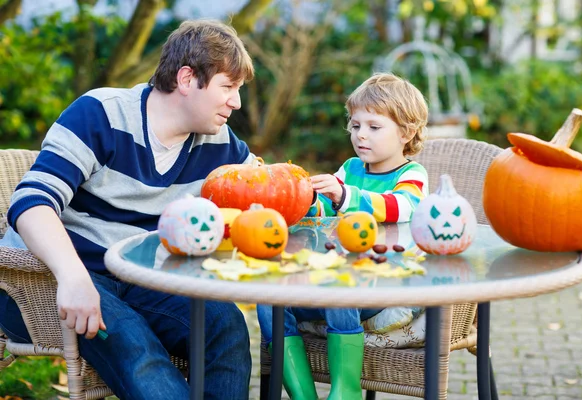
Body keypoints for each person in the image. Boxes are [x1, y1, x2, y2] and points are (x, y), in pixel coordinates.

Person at [0, 19, 255, 400]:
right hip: (45, 279)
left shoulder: (218, 141)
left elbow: (266, 188)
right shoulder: (100, 114)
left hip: (138, 278)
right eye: (228, 87)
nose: (236, 102)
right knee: (135, 347)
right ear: (187, 80)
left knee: (226, 326)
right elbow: (31, 204)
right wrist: (73, 277)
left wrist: (329, 192)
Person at [257, 72, 429, 399]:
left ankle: (344, 390)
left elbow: (401, 207)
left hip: (384, 290)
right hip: (335, 281)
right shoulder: (349, 168)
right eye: (355, 125)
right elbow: (322, 212)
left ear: (406, 133)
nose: (361, 135)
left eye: (374, 127)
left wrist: (344, 196)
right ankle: (303, 394)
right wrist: (304, 199)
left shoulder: (412, 175)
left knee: (340, 289)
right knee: (269, 301)